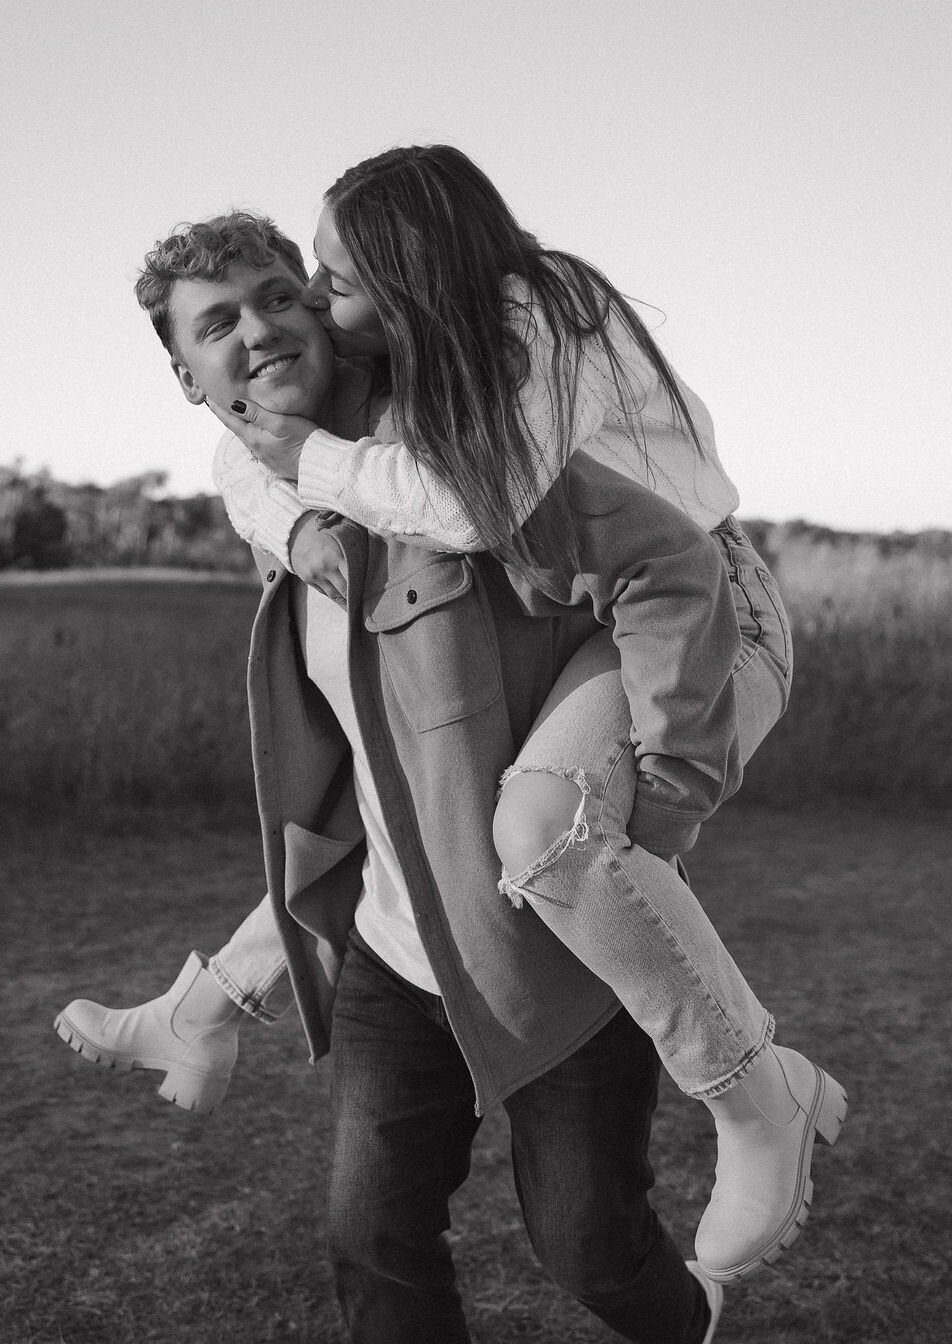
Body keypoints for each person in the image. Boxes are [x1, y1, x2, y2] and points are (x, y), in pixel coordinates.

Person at [203, 148, 847, 1286]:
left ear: (413, 269)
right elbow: (237, 439)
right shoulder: (424, 348)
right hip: (615, 611)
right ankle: (209, 996)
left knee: (543, 829)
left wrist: (304, 458)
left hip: (706, 602)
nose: (317, 301)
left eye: (335, 277)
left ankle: (753, 1091)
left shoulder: (547, 313)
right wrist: (293, 512)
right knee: (501, 820)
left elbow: (467, 504)